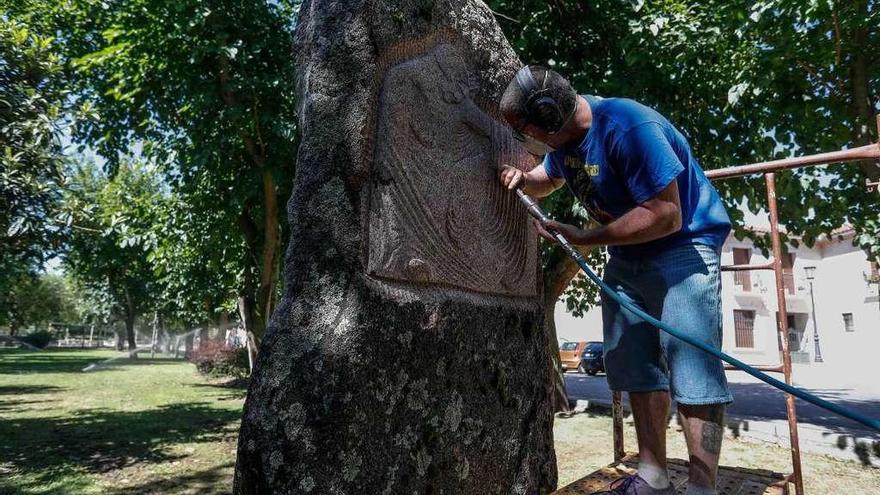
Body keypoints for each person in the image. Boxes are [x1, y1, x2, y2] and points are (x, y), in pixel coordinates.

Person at [498, 65, 733, 495]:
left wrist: (589, 238)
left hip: (682, 247)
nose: (521, 138)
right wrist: (523, 179)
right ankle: (653, 476)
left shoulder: (628, 128)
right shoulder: (567, 141)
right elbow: (548, 179)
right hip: (629, 252)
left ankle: (703, 487)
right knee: (636, 364)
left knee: (694, 369)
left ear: (550, 117)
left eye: (523, 129)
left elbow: (666, 214)